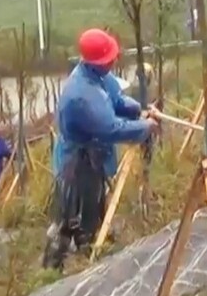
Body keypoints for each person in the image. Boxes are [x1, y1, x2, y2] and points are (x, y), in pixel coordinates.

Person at [45, 28, 158, 269]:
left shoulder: (99, 76)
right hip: (77, 163)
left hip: (94, 157)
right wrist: (145, 126)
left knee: (95, 204)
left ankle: (91, 242)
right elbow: (112, 129)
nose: (114, 60)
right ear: (98, 61)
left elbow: (116, 100)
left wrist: (139, 111)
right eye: (110, 58)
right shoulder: (81, 95)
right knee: (71, 214)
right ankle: (61, 263)